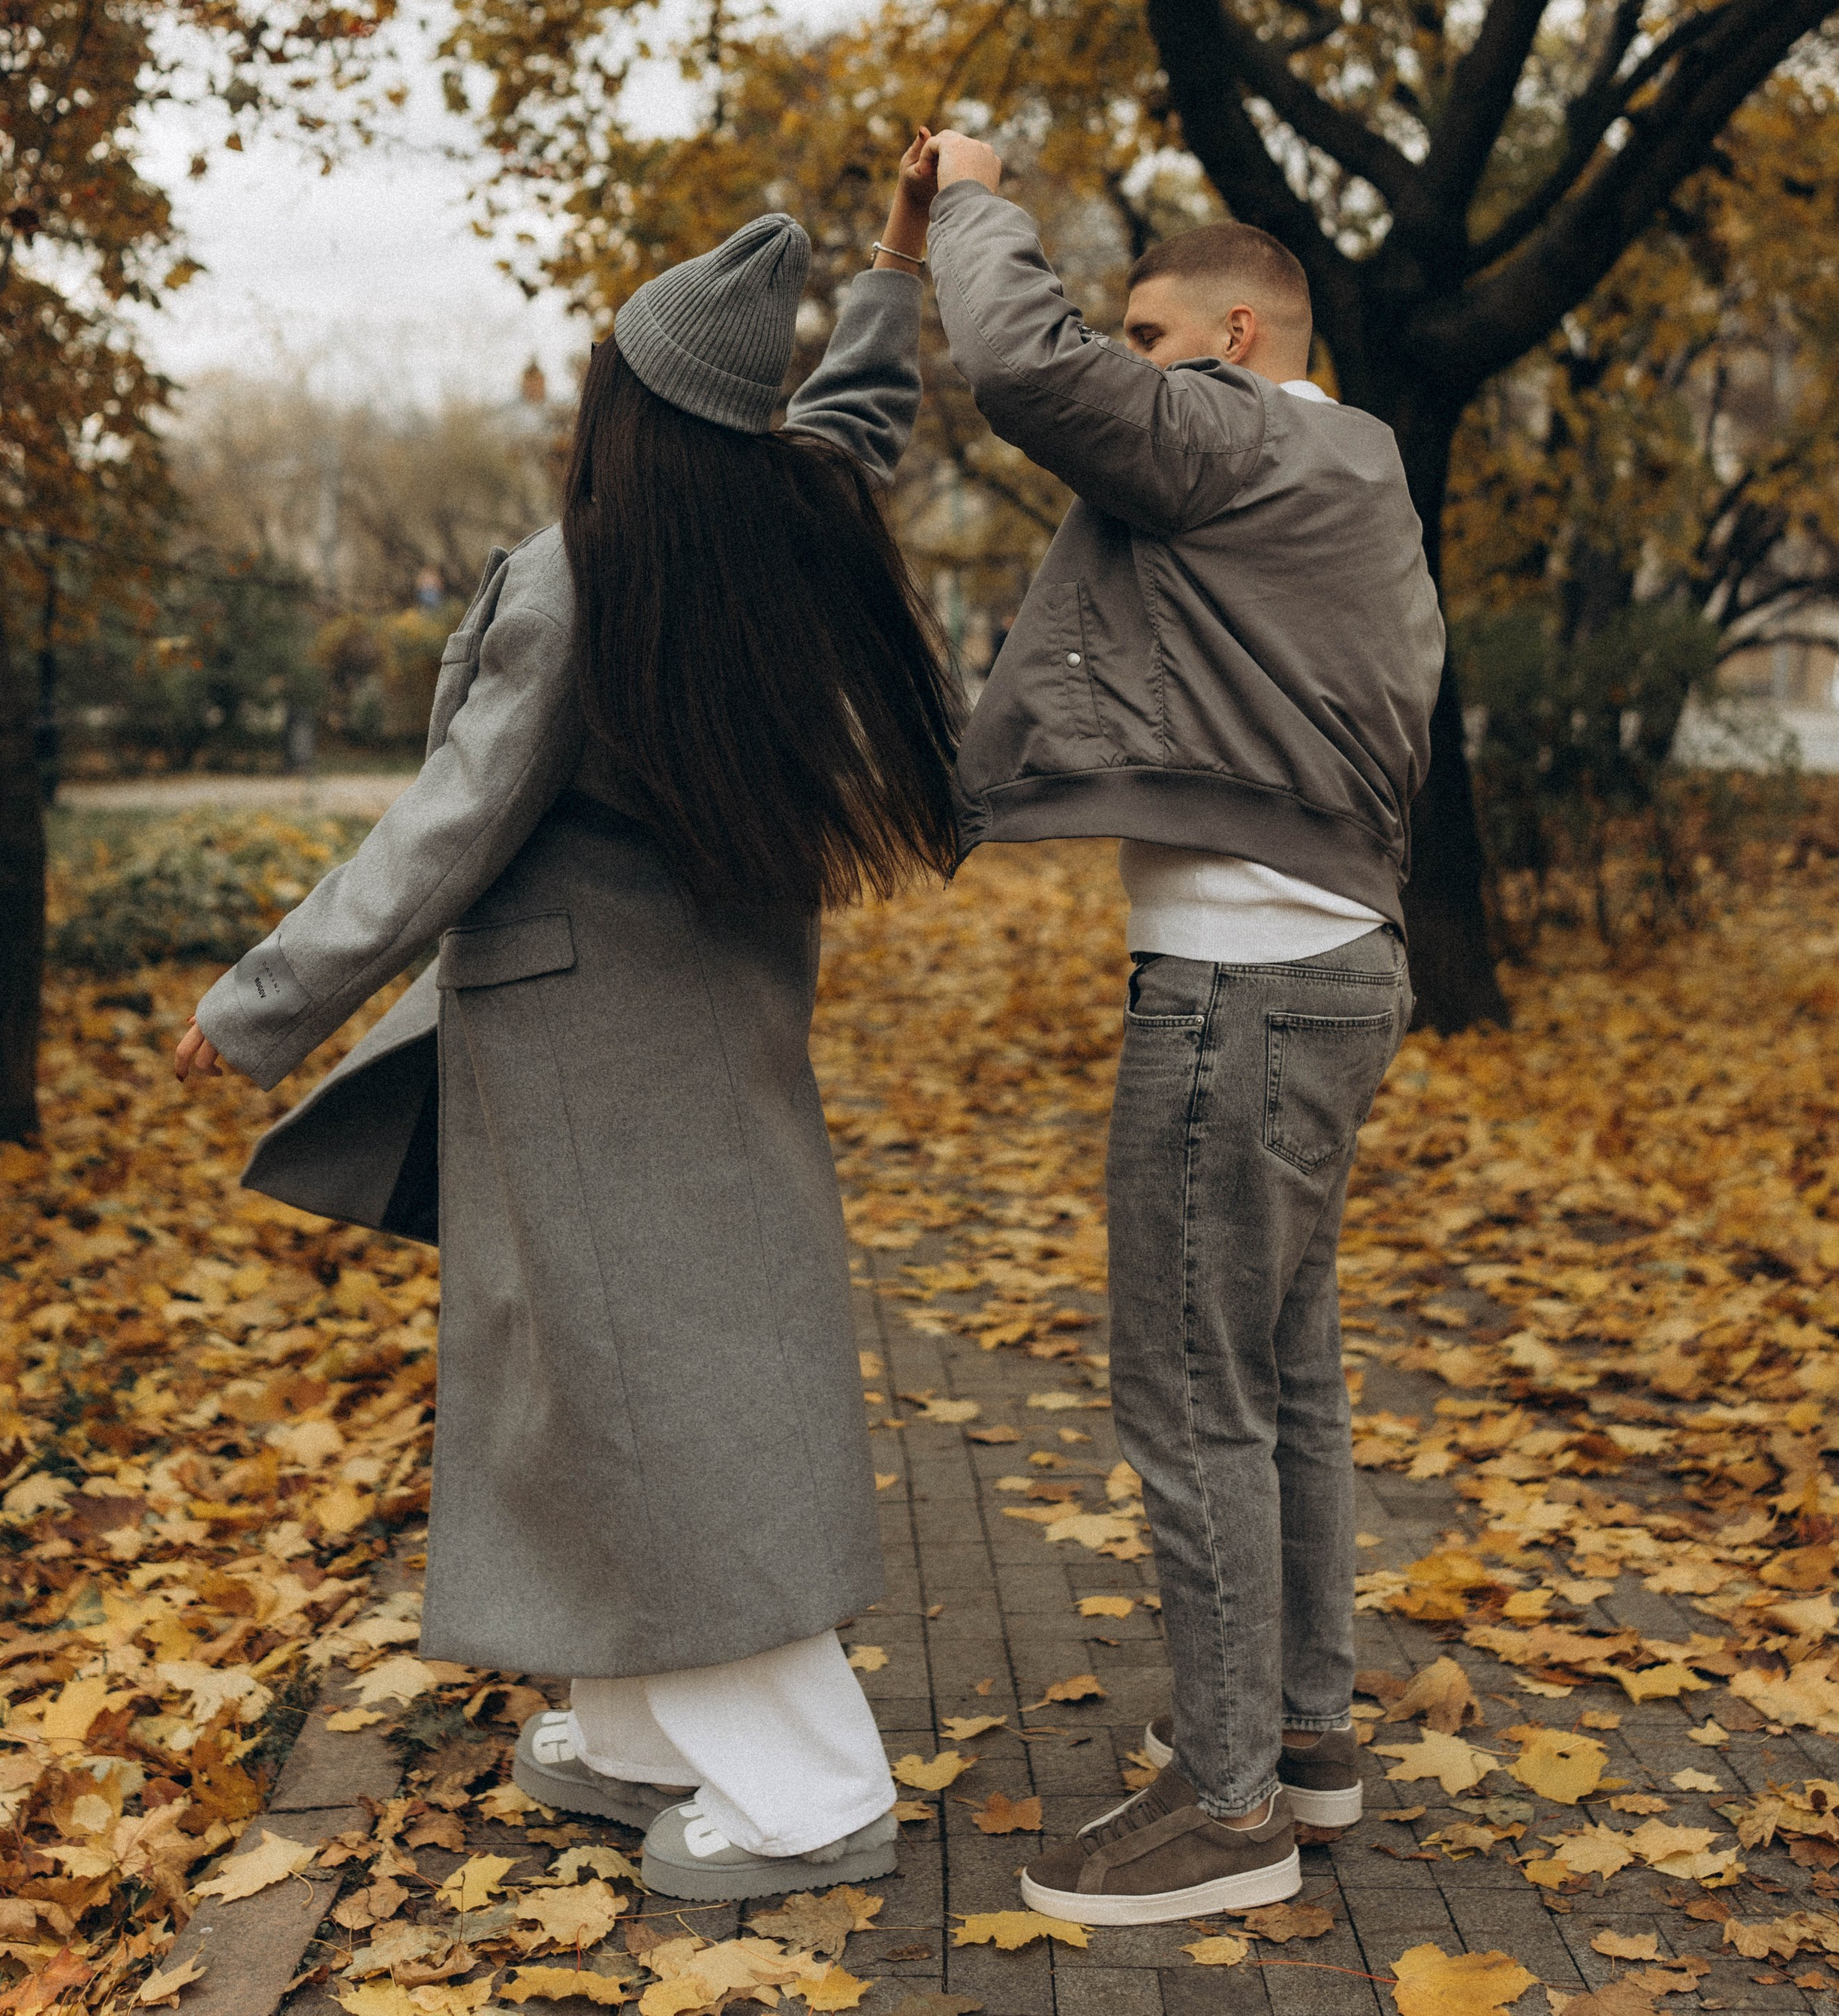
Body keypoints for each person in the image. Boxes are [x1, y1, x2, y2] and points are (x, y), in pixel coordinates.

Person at [172, 144, 961, 1900]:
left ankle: (812, 1793)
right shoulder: (781, 527)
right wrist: (894, 266)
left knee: (644, 1398)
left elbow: (446, 826)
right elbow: (862, 416)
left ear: (618, 406)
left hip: (584, 1057)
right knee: (605, 1394)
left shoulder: (578, 578)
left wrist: (258, 1006)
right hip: (703, 1032)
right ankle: (634, 1736)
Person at [921, 131, 1445, 1927]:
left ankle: (1227, 1812)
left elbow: (1014, 365)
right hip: (1319, 968)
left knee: (1188, 1392)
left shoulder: (1240, 431)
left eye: (1148, 332)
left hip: (1238, 985)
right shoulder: (1344, 465)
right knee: (1282, 1379)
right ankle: (1299, 1748)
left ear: (1232, 337)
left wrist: (976, 200)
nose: (1124, 362)